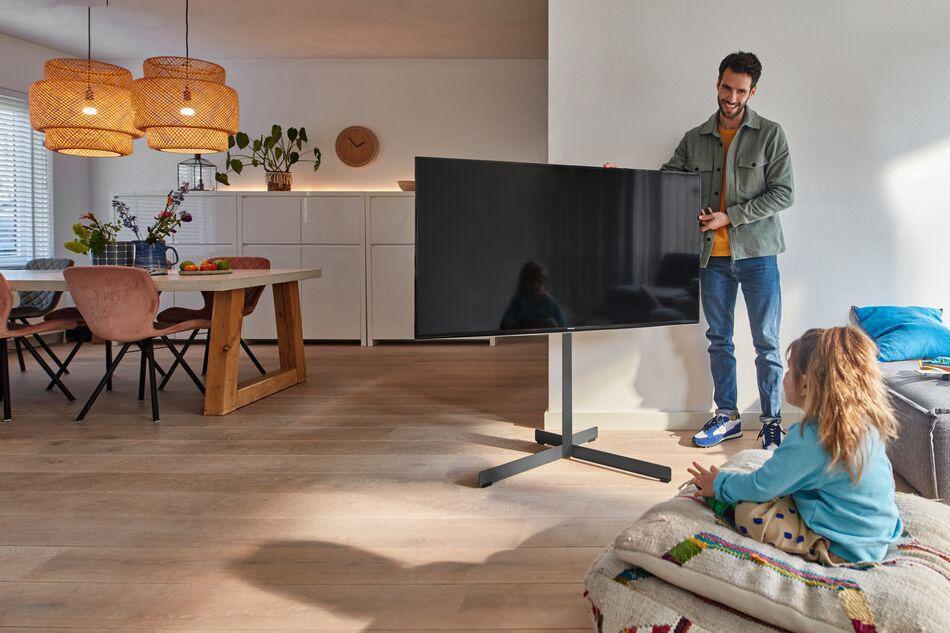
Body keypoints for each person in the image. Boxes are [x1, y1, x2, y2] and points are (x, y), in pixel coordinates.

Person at [608, 51, 794, 449]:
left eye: (740, 91)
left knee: (766, 341)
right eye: (726, 87)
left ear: (752, 92)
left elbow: (784, 193)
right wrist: (622, 180)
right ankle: (727, 415)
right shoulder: (694, 139)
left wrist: (731, 216)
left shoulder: (771, 134)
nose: (731, 97)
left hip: (758, 255)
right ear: (717, 83)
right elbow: (665, 183)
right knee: (719, 338)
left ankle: (771, 422)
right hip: (712, 259)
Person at [686, 326, 902, 564]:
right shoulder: (864, 423)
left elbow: (760, 486)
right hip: (879, 535)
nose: (785, 377)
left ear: (806, 384)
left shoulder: (810, 439)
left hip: (847, 547)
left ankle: (817, 546)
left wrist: (719, 484)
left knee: (750, 512)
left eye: (789, 369)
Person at [499, 261, 567, 330]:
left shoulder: (550, 303)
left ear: (545, 284)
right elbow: (506, 325)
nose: (535, 285)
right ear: (524, 282)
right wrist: (535, 326)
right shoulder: (519, 301)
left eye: (539, 282)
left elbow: (563, 327)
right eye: (531, 282)